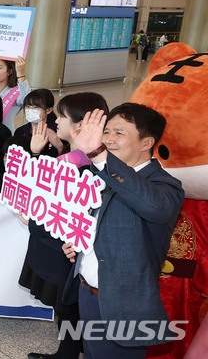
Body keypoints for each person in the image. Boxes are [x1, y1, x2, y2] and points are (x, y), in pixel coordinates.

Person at [62, 103, 184, 358]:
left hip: (124, 303)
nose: (108, 139)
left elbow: (151, 206)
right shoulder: (97, 175)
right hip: (87, 291)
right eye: (106, 132)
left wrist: (98, 155)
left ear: (146, 142)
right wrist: (79, 243)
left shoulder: (165, 186)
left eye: (119, 133)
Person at [20, 92, 110, 359]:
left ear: (81, 125)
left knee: (69, 307)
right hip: (53, 246)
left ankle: (68, 353)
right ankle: (69, 350)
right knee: (66, 308)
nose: (56, 120)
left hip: (66, 251)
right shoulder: (70, 154)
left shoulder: (87, 167)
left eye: (62, 116)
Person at [14, 89, 63, 158]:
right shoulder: (20, 131)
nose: (30, 110)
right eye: (28, 107)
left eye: (35, 107)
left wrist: (60, 146)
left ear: (49, 110)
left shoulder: (58, 131)